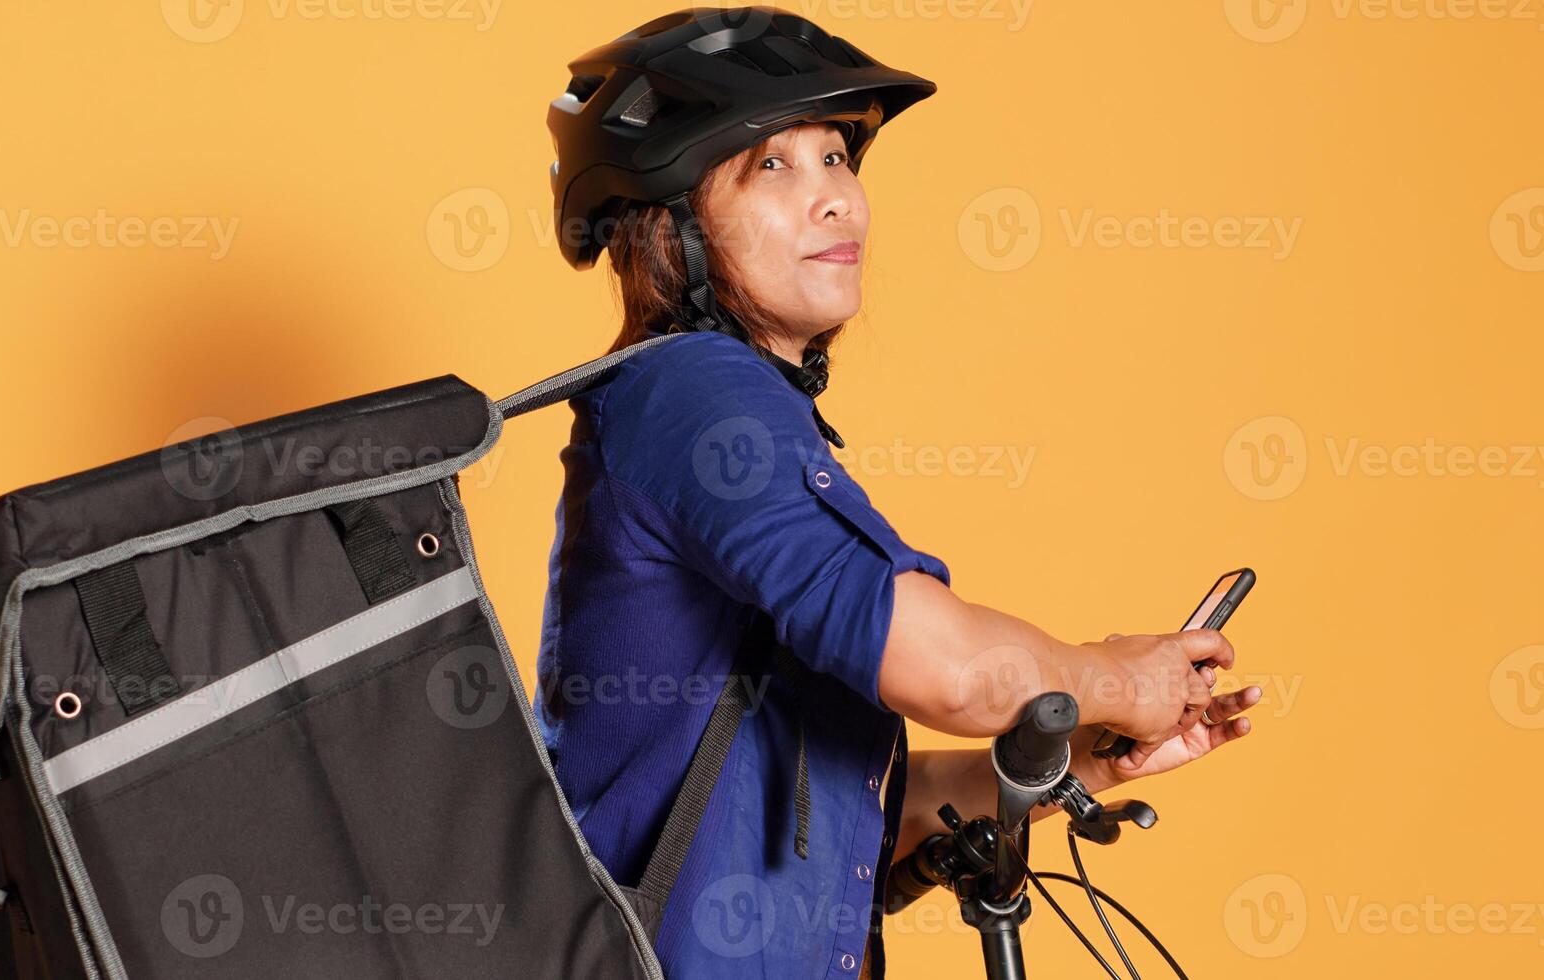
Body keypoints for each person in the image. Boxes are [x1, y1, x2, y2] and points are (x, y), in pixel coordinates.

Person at [534, 9, 1261, 979]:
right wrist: (1116, 675)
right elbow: (944, 667)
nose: (835, 198)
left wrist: (1073, 756)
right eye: (772, 167)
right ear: (670, 223)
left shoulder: (720, 411)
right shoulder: (698, 395)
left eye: (835, 156)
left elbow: (826, 814)